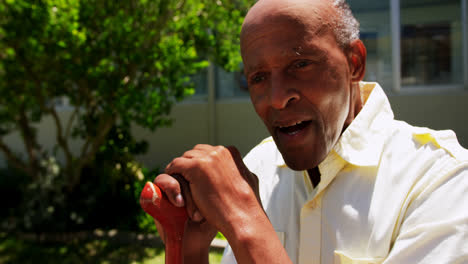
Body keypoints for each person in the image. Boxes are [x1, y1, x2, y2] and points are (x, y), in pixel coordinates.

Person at [153, 0, 468, 263]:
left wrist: (245, 223)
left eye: (300, 64)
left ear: (354, 63)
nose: (277, 98)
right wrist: (190, 248)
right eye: (258, 76)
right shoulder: (259, 168)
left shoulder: (442, 180)